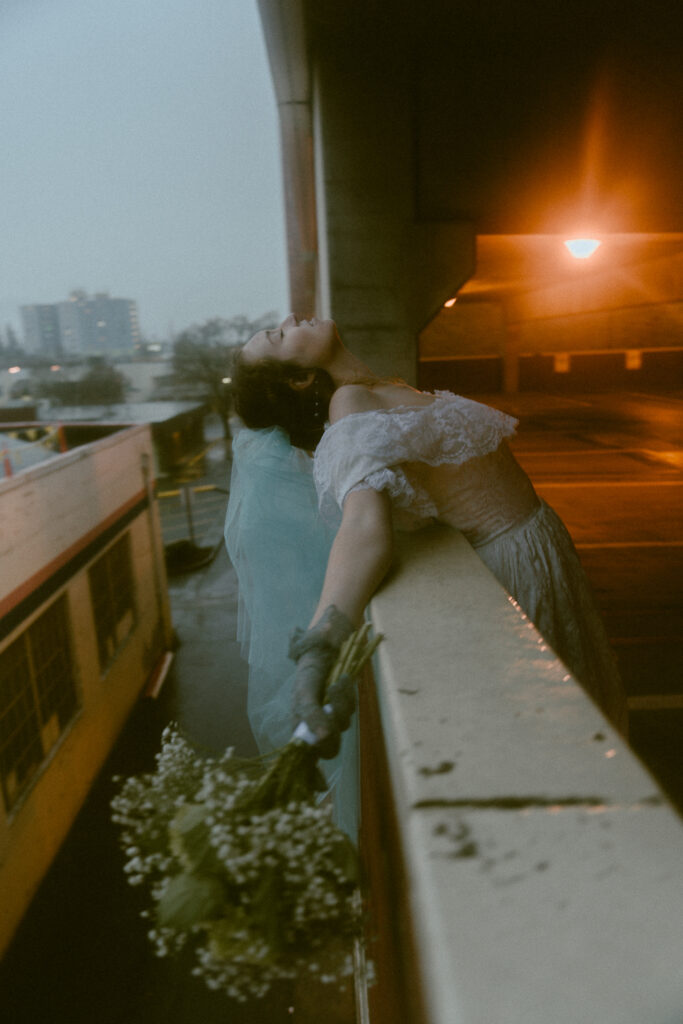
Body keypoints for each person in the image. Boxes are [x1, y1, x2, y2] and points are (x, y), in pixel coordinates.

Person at [228, 313, 628, 784]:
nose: (290, 319)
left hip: (539, 544)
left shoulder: (377, 387)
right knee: (560, 733)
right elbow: (363, 524)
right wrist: (321, 644)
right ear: (297, 378)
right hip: (513, 567)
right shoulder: (350, 404)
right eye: (279, 335)